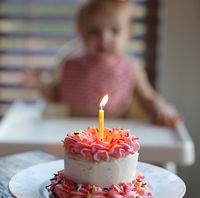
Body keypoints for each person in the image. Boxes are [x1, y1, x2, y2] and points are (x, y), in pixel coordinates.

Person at [22, 0, 180, 127]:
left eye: (115, 31)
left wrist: (161, 109)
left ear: (128, 34)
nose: (104, 38)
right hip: (73, 130)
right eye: (94, 31)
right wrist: (40, 84)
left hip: (114, 132)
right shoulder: (70, 64)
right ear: (80, 32)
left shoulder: (130, 67)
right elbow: (56, 95)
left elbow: (148, 98)